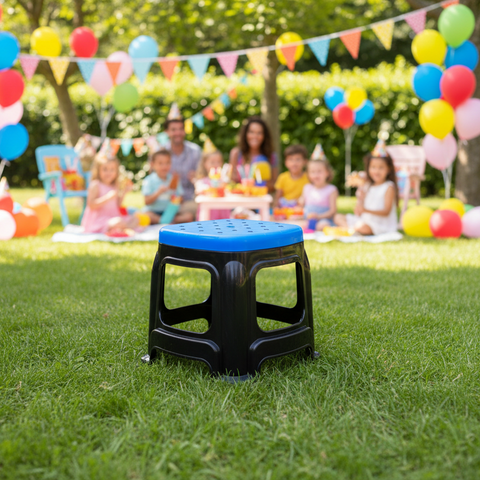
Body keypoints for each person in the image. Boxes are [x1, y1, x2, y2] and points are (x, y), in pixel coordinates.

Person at [334, 139, 398, 235]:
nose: (376, 171)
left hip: (379, 224)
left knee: (361, 226)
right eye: (373, 167)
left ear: (388, 169)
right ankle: (350, 230)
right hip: (364, 220)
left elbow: (386, 212)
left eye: (381, 167)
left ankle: (350, 230)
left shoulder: (388, 187)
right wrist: (360, 202)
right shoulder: (367, 185)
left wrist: (365, 210)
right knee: (337, 217)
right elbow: (360, 210)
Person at [81, 152, 138, 234]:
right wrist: (107, 197)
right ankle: (124, 228)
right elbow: (91, 205)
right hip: (98, 220)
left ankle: (122, 228)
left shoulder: (115, 186)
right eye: (105, 169)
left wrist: (125, 192)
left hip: (112, 216)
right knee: (118, 222)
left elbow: (118, 205)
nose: (109, 173)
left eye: (112, 170)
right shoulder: (95, 185)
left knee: (135, 218)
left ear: (116, 171)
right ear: (98, 170)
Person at [164, 103, 201, 221]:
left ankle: (170, 218)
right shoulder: (160, 153)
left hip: (188, 200)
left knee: (198, 208)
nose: (177, 133)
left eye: (181, 129)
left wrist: (197, 177)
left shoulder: (195, 151)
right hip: (166, 200)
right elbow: (153, 179)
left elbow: (203, 177)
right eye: (173, 130)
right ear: (167, 132)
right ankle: (179, 218)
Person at [229, 116, 278, 190]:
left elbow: (275, 185)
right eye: (251, 132)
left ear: (264, 136)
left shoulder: (271, 156)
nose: (255, 136)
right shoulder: (236, 154)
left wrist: (262, 185)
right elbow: (231, 182)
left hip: (261, 199)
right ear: (245, 134)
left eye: (259, 133)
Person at [142, 149, 188, 224]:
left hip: (170, 212)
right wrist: (158, 192)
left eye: (167, 163)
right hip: (154, 211)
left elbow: (181, 199)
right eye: (160, 163)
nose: (164, 166)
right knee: (147, 215)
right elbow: (146, 202)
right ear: (153, 165)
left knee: (188, 216)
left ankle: (166, 221)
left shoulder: (174, 179)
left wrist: (175, 198)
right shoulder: (149, 180)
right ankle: (164, 221)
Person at [298, 153, 338, 231]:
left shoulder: (331, 189)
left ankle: (312, 228)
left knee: (322, 226)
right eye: (313, 172)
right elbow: (302, 204)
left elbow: (332, 211)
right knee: (298, 224)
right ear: (308, 174)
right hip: (308, 218)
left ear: (327, 173)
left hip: (324, 218)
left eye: (319, 171)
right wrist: (300, 202)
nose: (316, 175)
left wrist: (318, 216)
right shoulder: (307, 188)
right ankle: (309, 227)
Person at [194, 148, 231, 220]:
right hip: (208, 216)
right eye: (212, 162)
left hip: (223, 215)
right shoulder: (202, 181)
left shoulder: (224, 180)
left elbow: (229, 190)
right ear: (205, 164)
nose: (216, 165)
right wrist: (207, 189)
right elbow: (198, 190)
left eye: (218, 162)